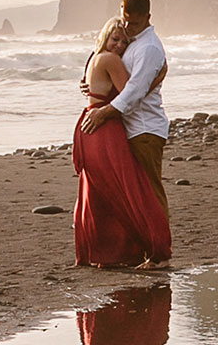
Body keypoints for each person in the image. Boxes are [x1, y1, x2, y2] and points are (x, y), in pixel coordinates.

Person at [72, 18, 171, 268]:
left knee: (96, 193)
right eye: (115, 39)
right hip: (105, 127)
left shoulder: (94, 58)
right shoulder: (111, 60)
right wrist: (159, 75)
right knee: (127, 189)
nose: (119, 45)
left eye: (124, 42)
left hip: (88, 124)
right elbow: (132, 94)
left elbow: (105, 90)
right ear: (105, 36)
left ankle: (103, 253)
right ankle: (152, 249)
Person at [80, 0, 170, 217]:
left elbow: (134, 91)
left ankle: (160, 245)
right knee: (134, 192)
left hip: (145, 128)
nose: (128, 26)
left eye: (134, 22)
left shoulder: (147, 47)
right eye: (125, 19)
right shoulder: (131, 40)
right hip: (128, 128)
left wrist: (103, 112)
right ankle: (144, 246)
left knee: (149, 190)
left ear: (148, 18)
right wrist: (91, 86)